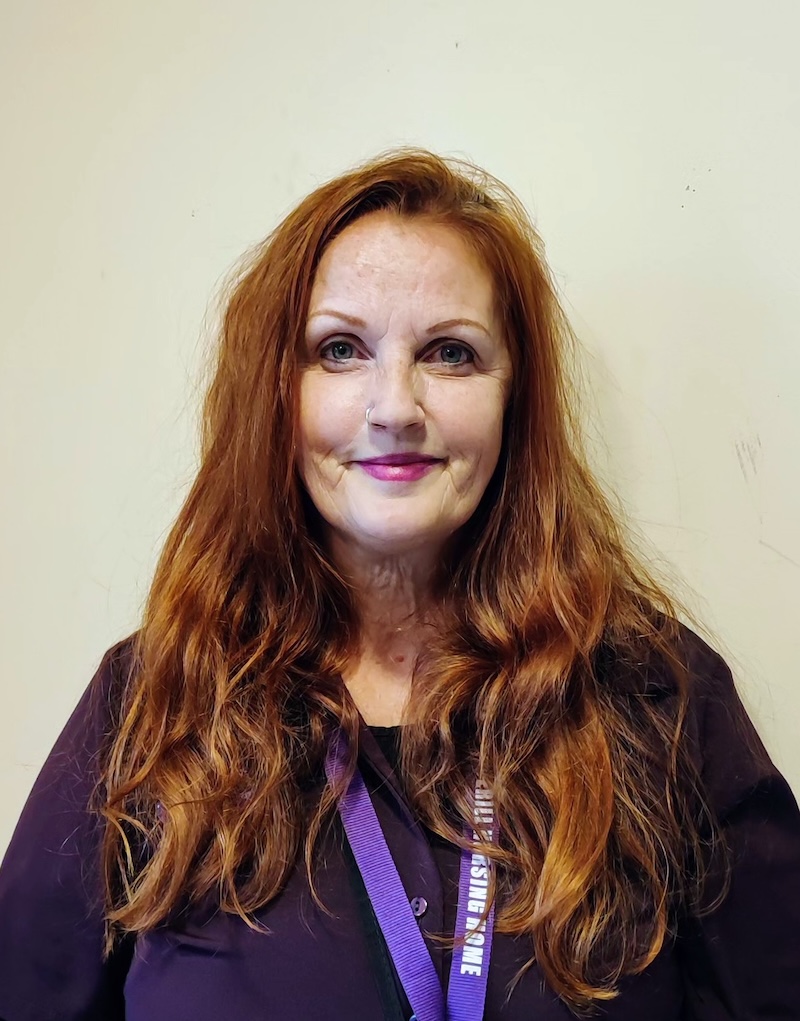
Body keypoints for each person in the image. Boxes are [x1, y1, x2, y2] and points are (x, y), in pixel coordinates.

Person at [0, 149, 798, 1021]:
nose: (394, 407)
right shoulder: (155, 701)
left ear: (515, 398)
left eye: (451, 353)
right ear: (275, 392)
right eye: (339, 350)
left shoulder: (656, 699)